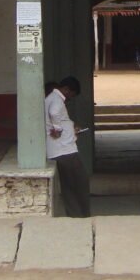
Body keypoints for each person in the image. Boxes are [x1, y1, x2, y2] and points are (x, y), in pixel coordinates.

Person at [45, 76, 90, 217]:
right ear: (66, 89)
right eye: (71, 94)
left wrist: (69, 127)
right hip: (64, 150)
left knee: (68, 184)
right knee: (80, 182)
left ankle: (74, 214)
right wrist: (57, 129)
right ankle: (82, 215)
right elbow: (54, 113)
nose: (70, 98)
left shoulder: (51, 98)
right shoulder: (57, 99)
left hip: (61, 149)